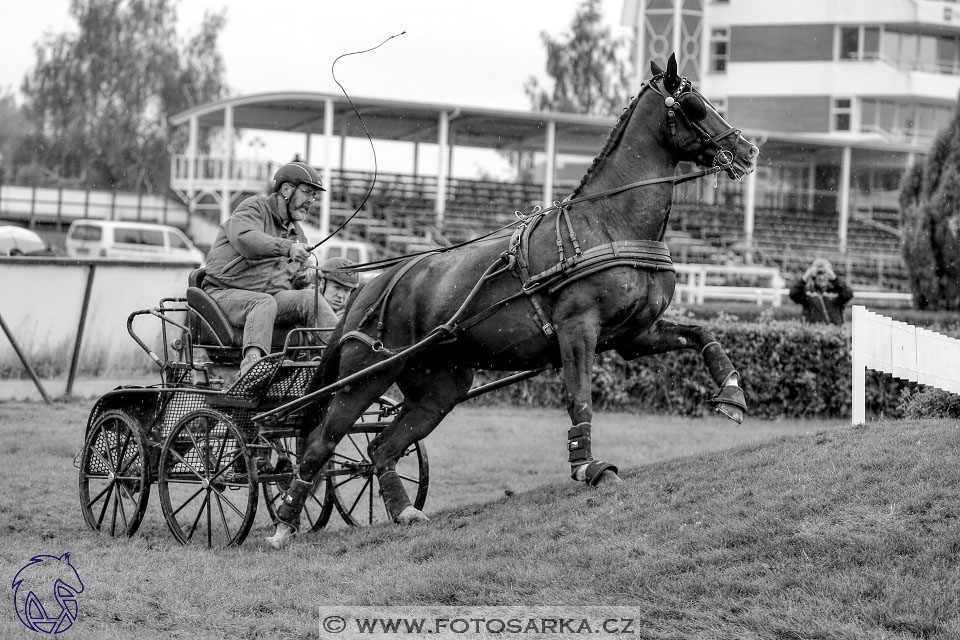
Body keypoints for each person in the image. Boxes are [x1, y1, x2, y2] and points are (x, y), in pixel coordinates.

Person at [202, 161, 339, 374]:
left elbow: (286, 280)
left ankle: (344, 355)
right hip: (222, 294)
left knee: (309, 299)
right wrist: (288, 248)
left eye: (313, 196)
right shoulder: (253, 207)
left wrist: (304, 278)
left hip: (270, 298)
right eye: (307, 193)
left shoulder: (298, 234)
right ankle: (252, 368)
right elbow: (246, 240)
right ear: (286, 190)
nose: (311, 201)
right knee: (263, 302)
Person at [788, 257, 853, 325]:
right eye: (819, 273)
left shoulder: (837, 291)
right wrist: (805, 277)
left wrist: (835, 279)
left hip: (835, 332)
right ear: (814, 275)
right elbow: (793, 294)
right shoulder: (808, 292)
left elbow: (848, 294)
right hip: (814, 332)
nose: (821, 277)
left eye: (824, 273)